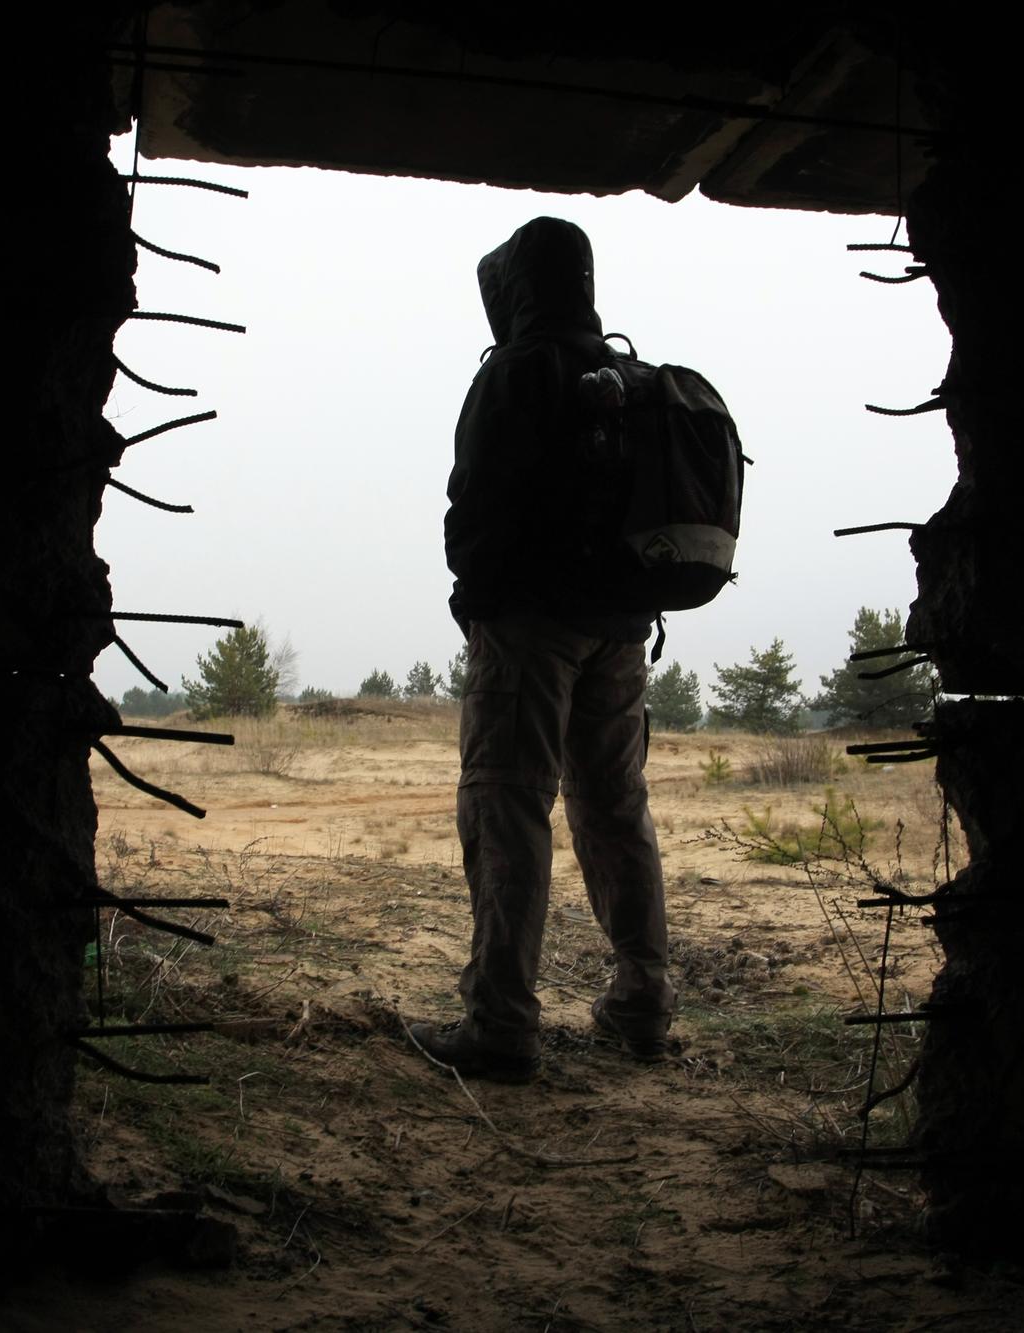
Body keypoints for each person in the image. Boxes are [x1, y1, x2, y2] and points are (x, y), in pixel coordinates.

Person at [408, 217, 676, 1083]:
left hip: (528, 629)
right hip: (622, 633)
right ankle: (642, 1004)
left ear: (520, 287)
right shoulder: (627, 378)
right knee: (615, 808)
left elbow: (474, 507)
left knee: (507, 805)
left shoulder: (517, 372)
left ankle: (500, 1025)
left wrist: (477, 605)